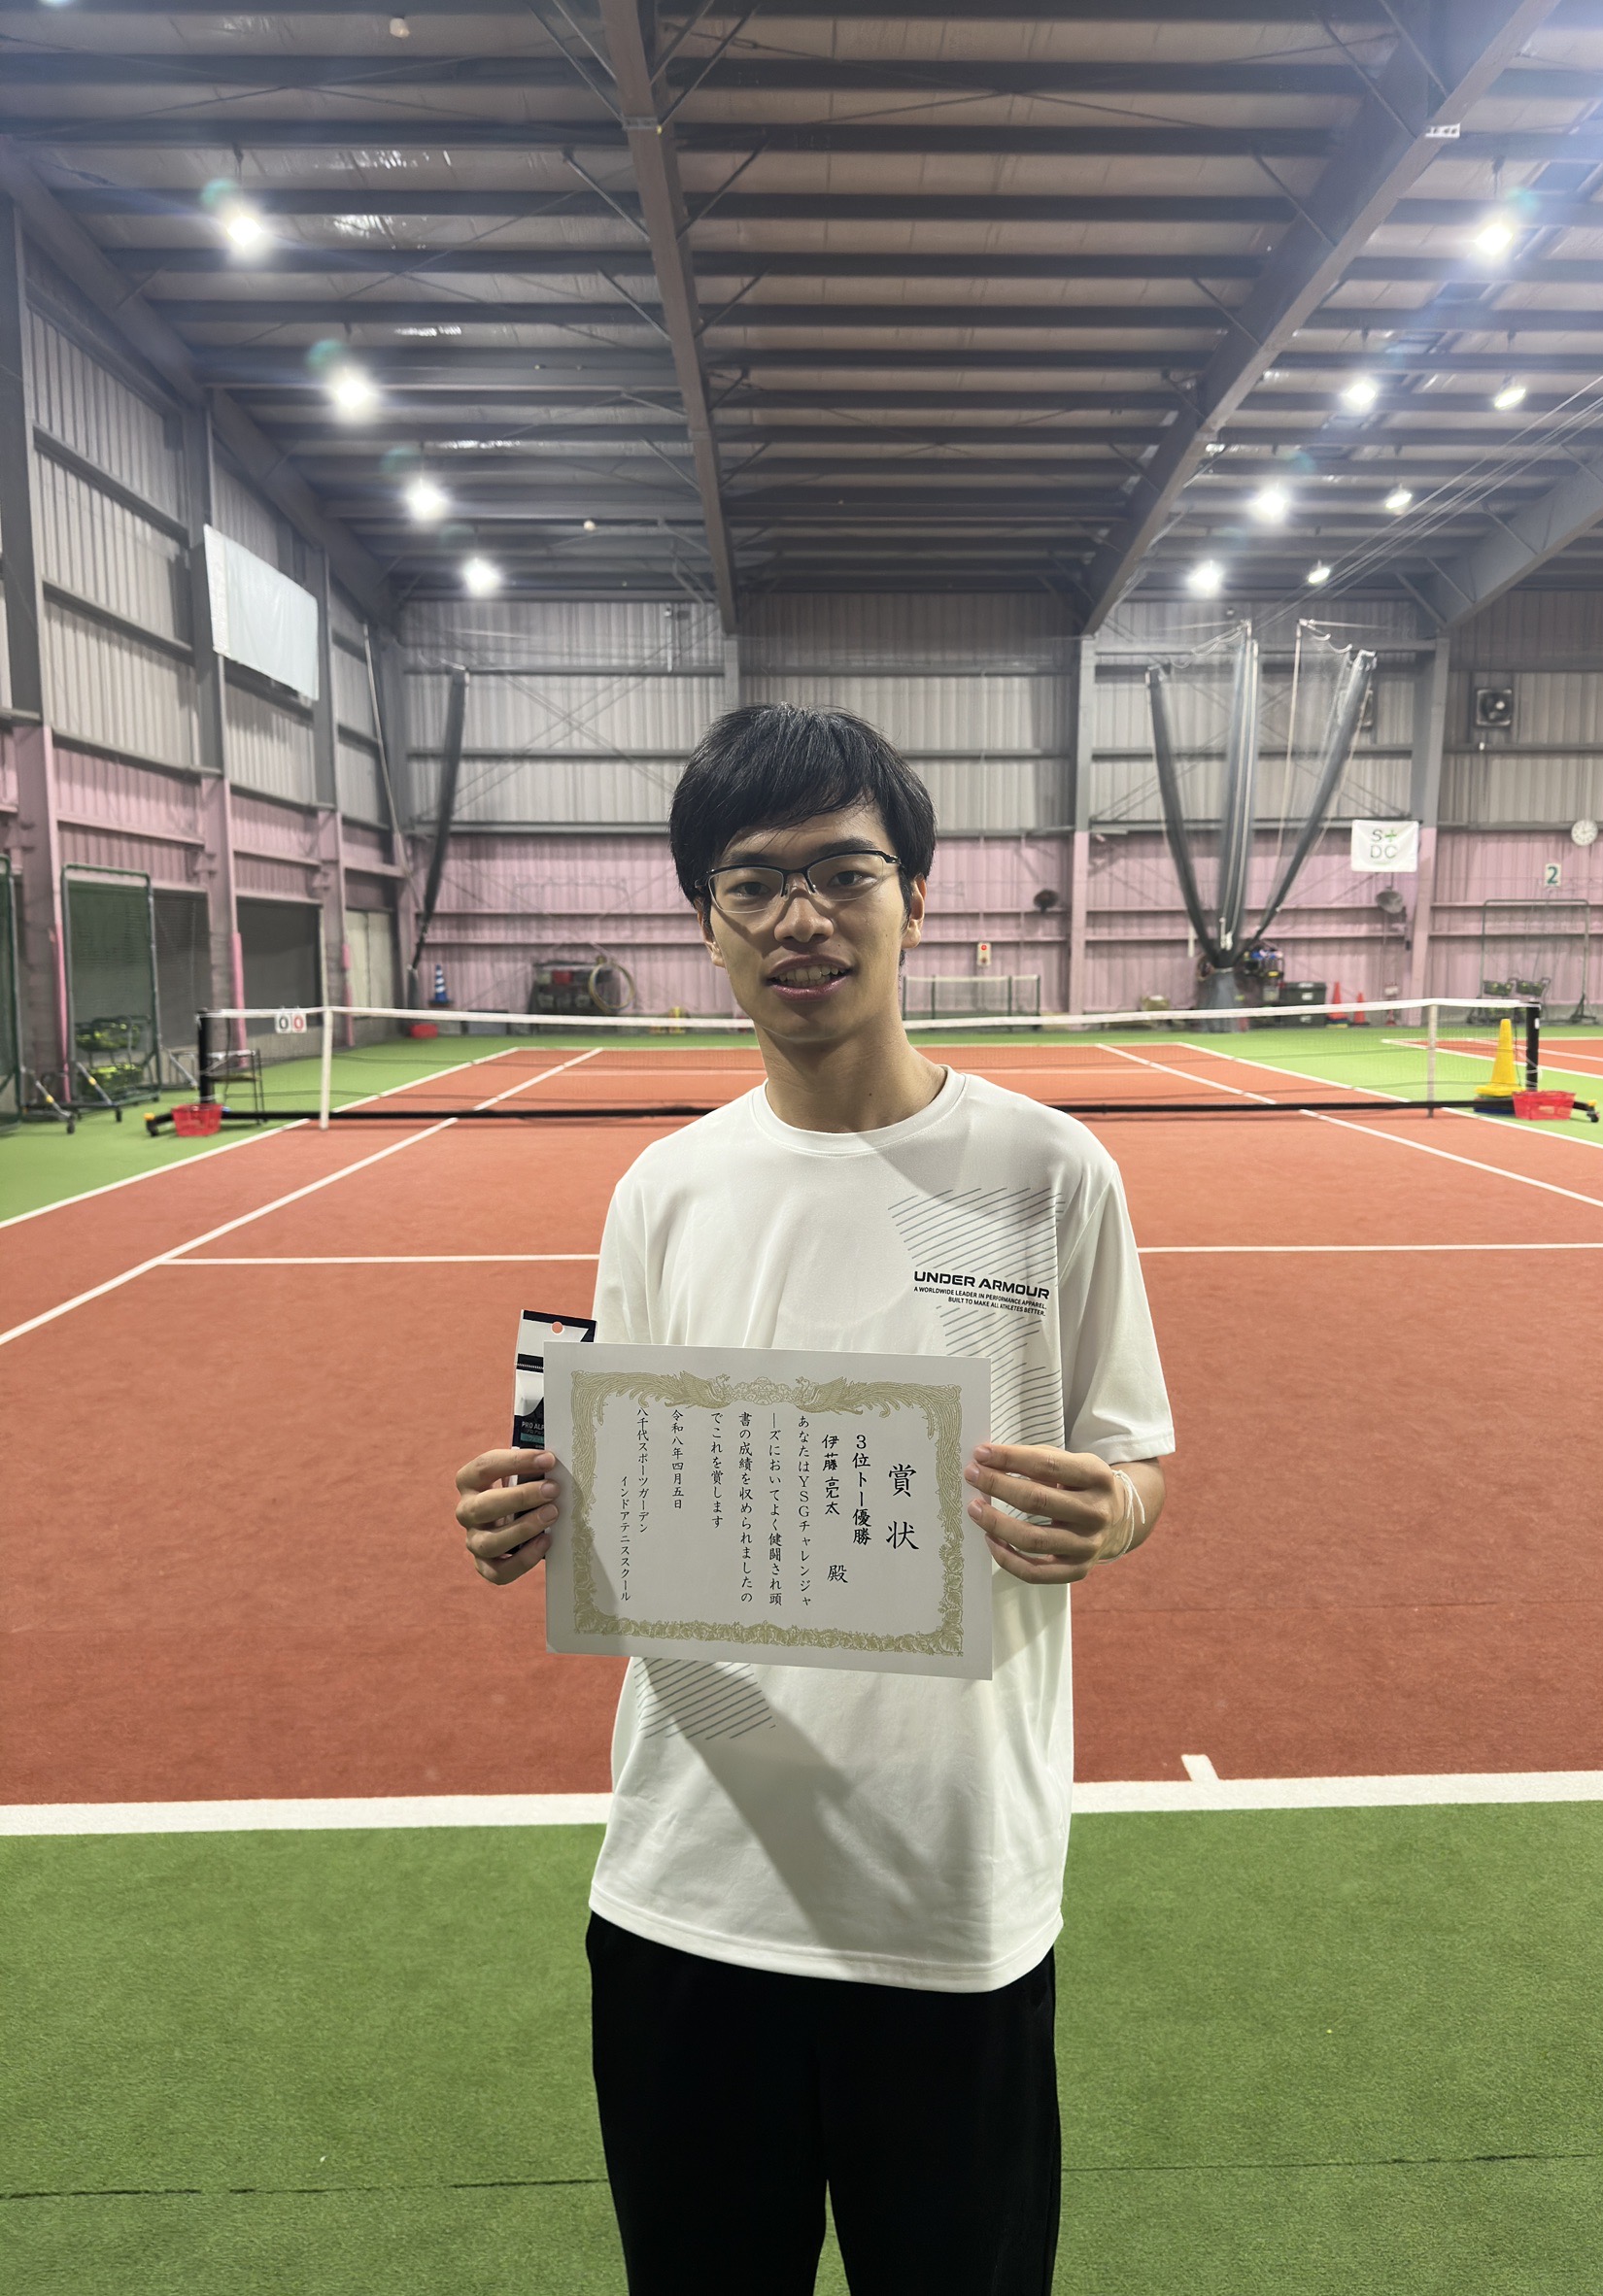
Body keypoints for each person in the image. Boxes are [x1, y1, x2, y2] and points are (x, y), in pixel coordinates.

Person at [454, 704, 1175, 2295]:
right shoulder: (663, 1188)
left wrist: (1111, 1511)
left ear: (914, 894)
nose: (800, 918)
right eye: (751, 883)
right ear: (705, 922)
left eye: (843, 872)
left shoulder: (1048, 1172)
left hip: (948, 1895)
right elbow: (630, 1477)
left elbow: (1135, 1460)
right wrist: (536, 1513)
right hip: (689, 1887)